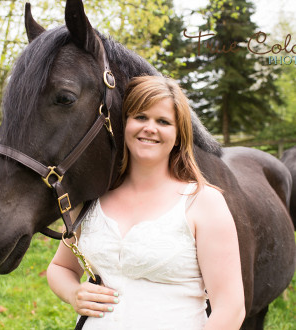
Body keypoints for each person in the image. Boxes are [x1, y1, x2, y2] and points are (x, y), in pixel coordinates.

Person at [47, 75, 245, 329]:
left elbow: (231, 307)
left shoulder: (203, 203)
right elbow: (60, 267)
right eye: (140, 117)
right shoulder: (91, 198)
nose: (150, 127)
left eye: (163, 121)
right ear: (123, 124)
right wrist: (74, 294)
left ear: (178, 135)